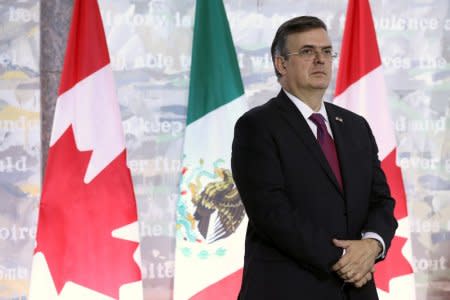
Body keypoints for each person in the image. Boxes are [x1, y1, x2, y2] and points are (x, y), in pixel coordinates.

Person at [231, 16, 397, 300]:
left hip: (357, 291)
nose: (320, 60)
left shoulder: (356, 126)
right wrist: (347, 258)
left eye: (326, 51)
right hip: (288, 290)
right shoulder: (257, 126)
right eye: (307, 51)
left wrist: (372, 246)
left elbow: (381, 199)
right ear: (281, 64)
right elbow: (272, 213)